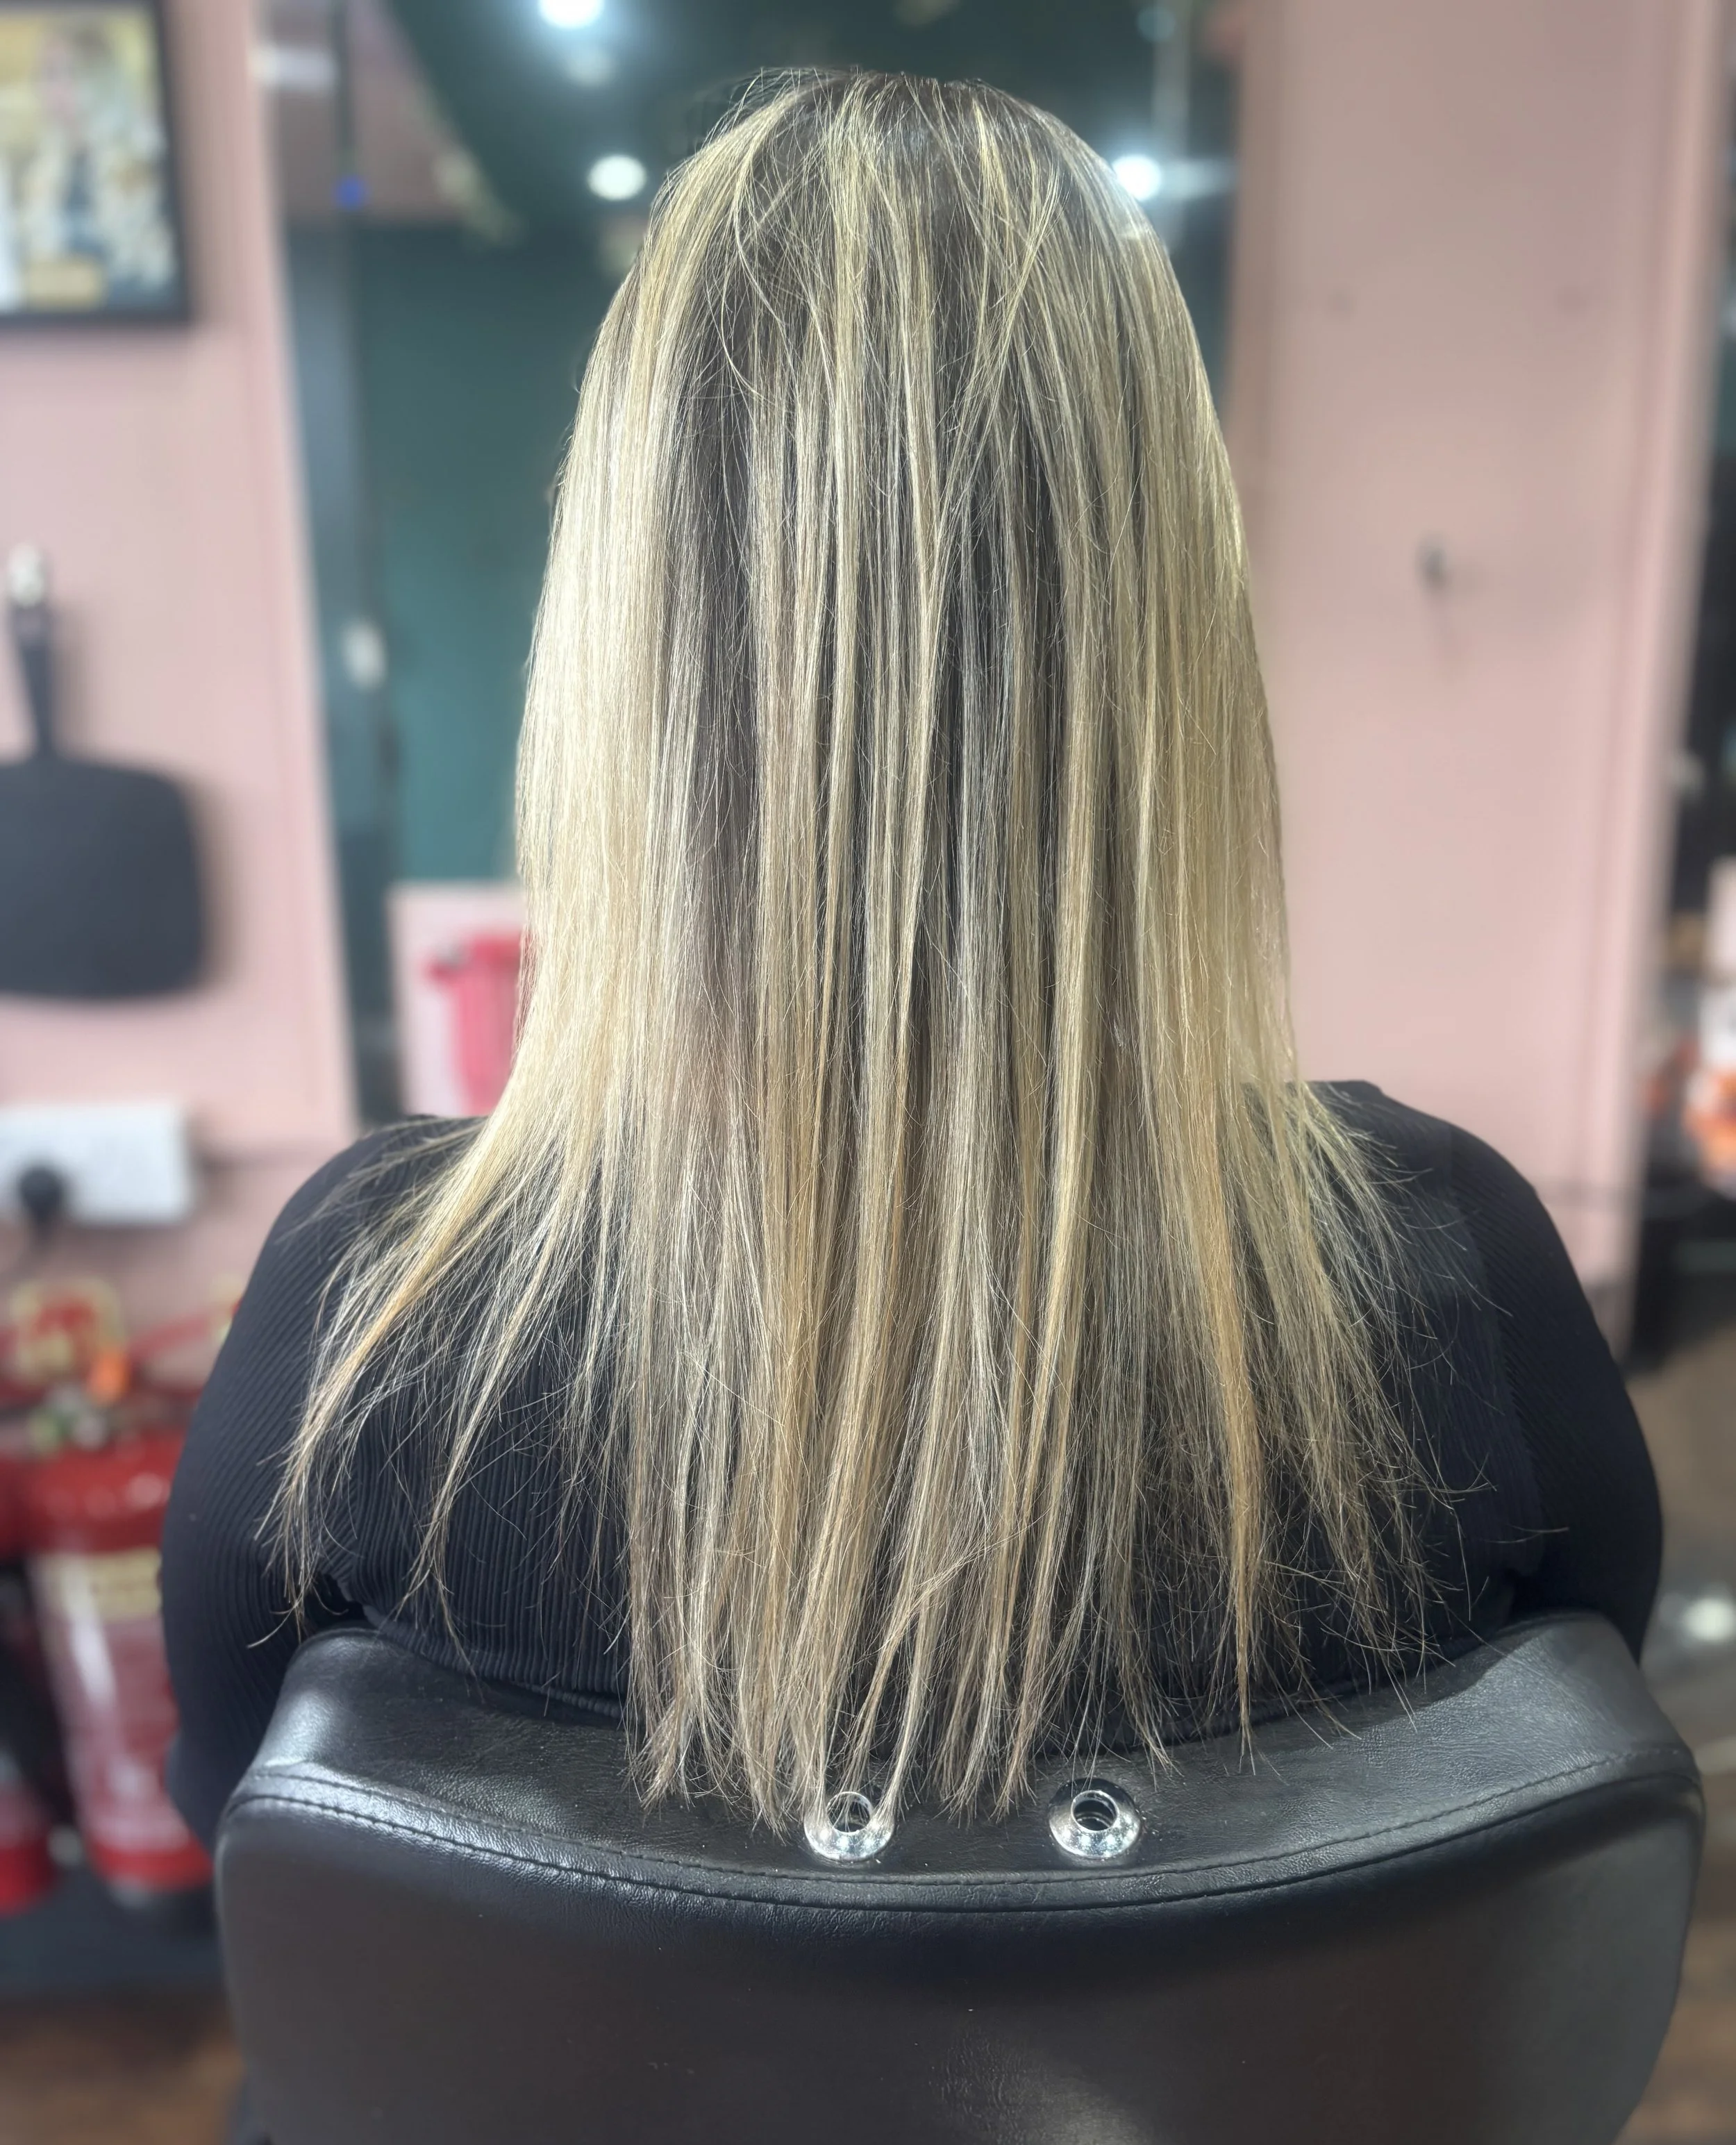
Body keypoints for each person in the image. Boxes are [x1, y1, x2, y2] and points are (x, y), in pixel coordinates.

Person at [160, 72, 1658, 1848]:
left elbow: (254, 1842)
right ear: (1160, 627)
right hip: (1267, 2139)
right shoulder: (1449, 1271)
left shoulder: (372, 1316)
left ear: (627, 652)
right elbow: (1535, 1834)